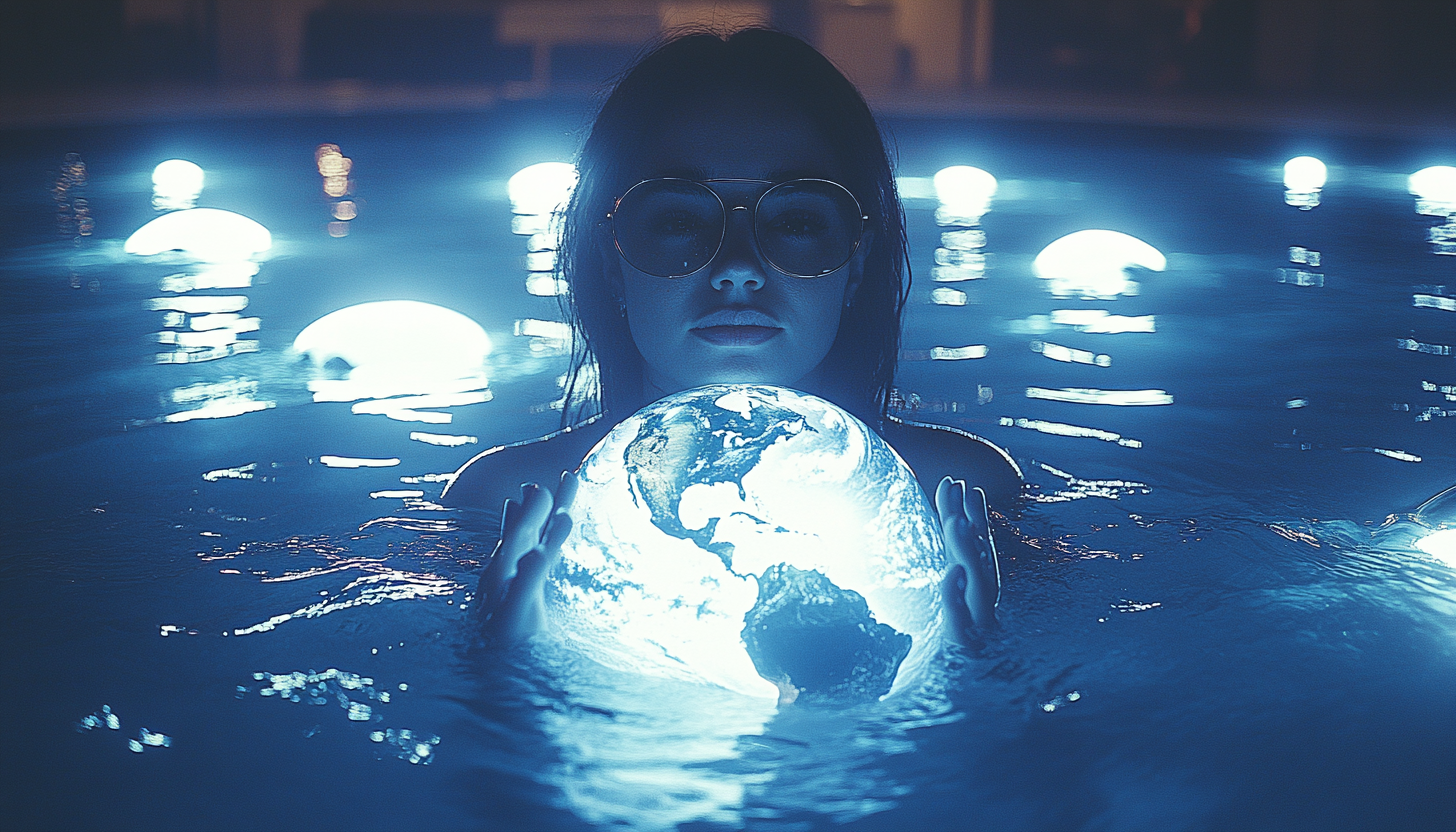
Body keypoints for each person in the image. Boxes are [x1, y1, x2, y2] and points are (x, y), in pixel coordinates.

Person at [444, 28, 1021, 657]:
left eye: (798, 219)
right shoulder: (500, 502)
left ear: (857, 261)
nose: (738, 267)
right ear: (612, 264)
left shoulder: (962, 496)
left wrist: (975, 681)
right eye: (679, 218)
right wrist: (504, 680)